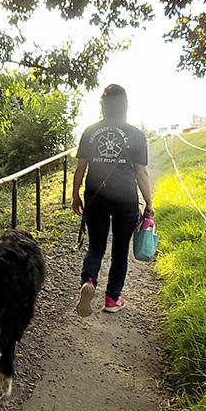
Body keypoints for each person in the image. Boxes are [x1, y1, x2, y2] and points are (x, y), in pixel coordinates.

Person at [72, 84, 153, 316]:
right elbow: (141, 172)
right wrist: (149, 203)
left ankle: (88, 282)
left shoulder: (90, 132)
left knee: (96, 246)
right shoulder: (135, 134)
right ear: (125, 105)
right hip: (125, 199)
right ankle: (112, 299)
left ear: (103, 105)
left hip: (95, 196)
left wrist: (75, 194)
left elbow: (80, 168)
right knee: (120, 251)